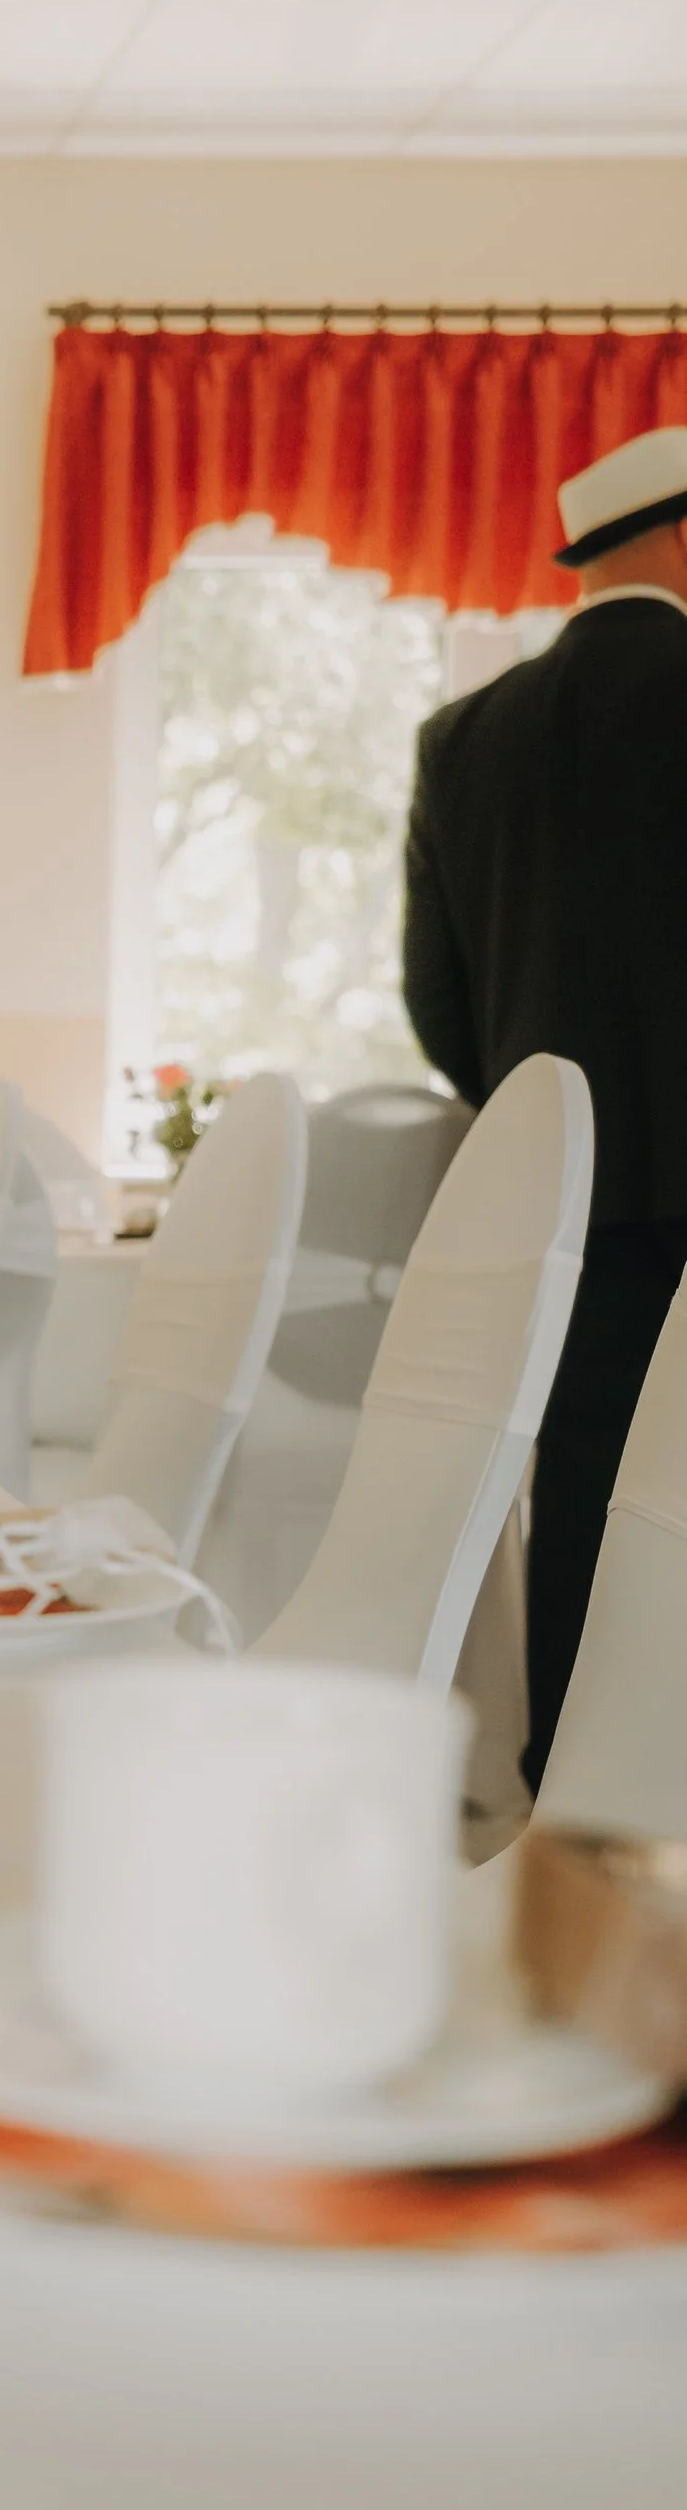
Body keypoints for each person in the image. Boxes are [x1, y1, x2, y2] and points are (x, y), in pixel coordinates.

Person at [404, 422, 687, 1787]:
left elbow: (439, 1003)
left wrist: (549, 1135)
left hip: (564, 1206)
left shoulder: (464, 738)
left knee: (581, 1489)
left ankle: (578, 1796)